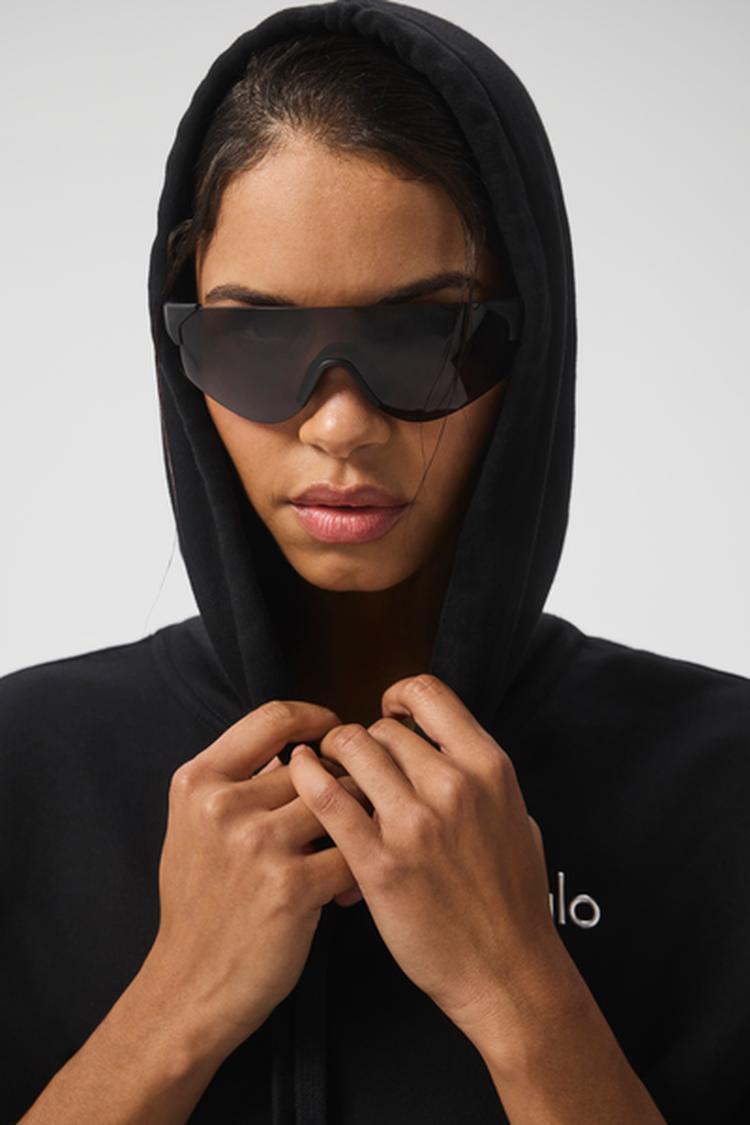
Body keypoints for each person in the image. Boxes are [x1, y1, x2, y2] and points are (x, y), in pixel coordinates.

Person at [2, 1, 748, 1123]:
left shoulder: (724, 787)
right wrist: (174, 1007)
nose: (340, 425)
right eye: (257, 338)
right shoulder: (22, 769)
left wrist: (520, 989)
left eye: (422, 334)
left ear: (531, 344)